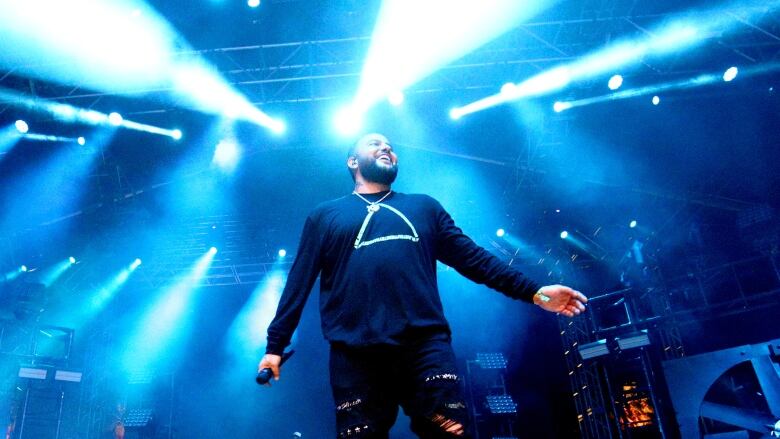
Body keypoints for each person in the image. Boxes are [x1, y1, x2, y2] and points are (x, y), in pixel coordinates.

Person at [258, 133, 588, 438]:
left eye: (390, 145)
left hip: (424, 346)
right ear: (352, 161)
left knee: (450, 431)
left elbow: (474, 259)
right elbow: (297, 283)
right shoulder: (325, 216)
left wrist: (535, 292)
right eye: (375, 143)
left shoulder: (423, 208)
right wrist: (275, 346)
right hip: (355, 353)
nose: (386, 148)